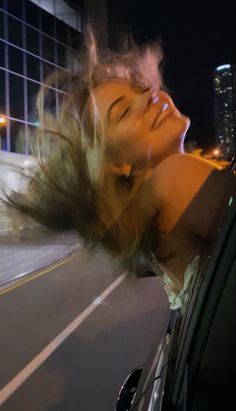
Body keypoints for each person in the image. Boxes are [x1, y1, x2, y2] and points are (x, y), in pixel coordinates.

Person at [4, 30, 235, 311]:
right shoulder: (173, 177)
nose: (149, 96)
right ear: (116, 164)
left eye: (141, 89)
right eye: (124, 112)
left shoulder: (154, 207)